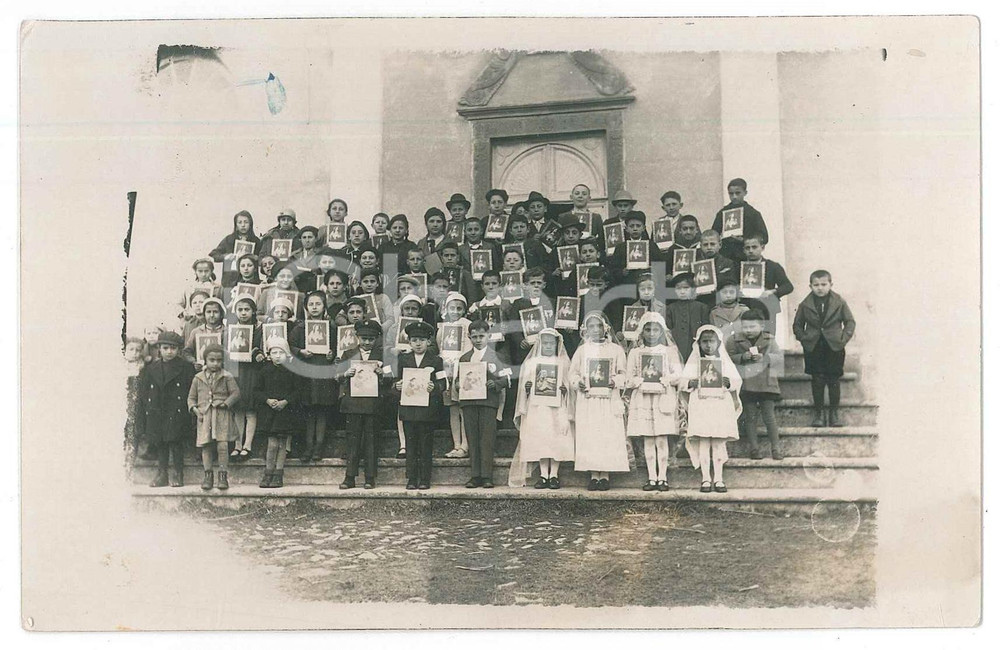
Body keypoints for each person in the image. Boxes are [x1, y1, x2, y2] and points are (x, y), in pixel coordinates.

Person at [569, 311, 630, 491]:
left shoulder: (616, 350)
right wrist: (578, 383)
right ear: (585, 330)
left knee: (607, 435)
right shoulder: (582, 351)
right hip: (588, 400)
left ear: (606, 328)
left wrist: (615, 381)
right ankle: (594, 474)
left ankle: (605, 475)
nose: (595, 330)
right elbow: (573, 373)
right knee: (591, 435)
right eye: (591, 326)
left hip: (608, 399)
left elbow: (623, 373)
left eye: (599, 326)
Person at [625, 312, 684, 491]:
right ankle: (651, 477)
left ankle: (663, 477)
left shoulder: (669, 352)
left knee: (661, 439)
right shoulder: (636, 353)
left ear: (661, 331)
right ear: (642, 331)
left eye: (655, 329)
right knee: (648, 440)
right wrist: (639, 380)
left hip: (662, 398)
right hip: (643, 399)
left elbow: (678, 374)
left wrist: (667, 379)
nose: (651, 333)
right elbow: (629, 378)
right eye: (648, 329)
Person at [681, 325, 743, 493]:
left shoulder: (724, 361)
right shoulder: (694, 362)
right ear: (699, 343)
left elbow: (736, 381)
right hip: (701, 405)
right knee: (703, 442)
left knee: (717, 442)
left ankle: (719, 478)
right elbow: (682, 382)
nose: (708, 345)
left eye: (712, 341)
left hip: (719, 405)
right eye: (705, 342)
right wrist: (690, 383)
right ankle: (706, 479)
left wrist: (728, 382)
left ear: (718, 342)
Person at [792, 269, 857, 427]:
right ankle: (819, 414)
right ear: (810, 286)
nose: (820, 288)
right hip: (814, 347)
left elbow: (850, 322)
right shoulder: (805, 304)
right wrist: (804, 338)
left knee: (834, 379)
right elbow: (797, 325)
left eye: (823, 284)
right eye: (816, 285)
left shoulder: (839, 302)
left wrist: (843, 338)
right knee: (818, 380)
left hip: (834, 346)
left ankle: (834, 414)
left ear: (830, 284)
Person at [511, 329, 574, 489]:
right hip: (538, 407)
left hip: (557, 407)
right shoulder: (532, 362)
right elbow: (526, 385)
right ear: (539, 344)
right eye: (545, 343)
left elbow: (569, 384)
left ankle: (554, 474)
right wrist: (528, 387)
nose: (548, 346)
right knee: (542, 438)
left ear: (557, 344)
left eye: (551, 343)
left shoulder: (563, 362)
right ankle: (543, 474)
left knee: (556, 438)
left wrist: (564, 390)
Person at [137, 331, 196, 488]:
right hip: (158, 409)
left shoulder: (185, 367)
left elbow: (191, 389)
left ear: (178, 350)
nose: (169, 352)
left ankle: (178, 472)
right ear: (159, 349)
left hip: (176, 409)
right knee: (161, 442)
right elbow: (144, 391)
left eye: (173, 348)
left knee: (176, 442)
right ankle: (162, 473)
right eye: (165, 348)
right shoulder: (151, 368)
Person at [455, 320, 510, 489]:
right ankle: (475, 475)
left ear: (488, 336)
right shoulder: (464, 358)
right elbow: (458, 379)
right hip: (469, 403)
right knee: (472, 438)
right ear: (469, 337)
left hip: (488, 403)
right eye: (474, 337)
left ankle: (487, 476)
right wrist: (458, 384)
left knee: (486, 438)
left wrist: (496, 384)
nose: (478, 340)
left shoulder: (497, 356)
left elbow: (507, 379)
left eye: (481, 336)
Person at [336, 319, 389, 489]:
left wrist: (382, 374)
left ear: (376, 339)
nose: (367, 342)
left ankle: (369, 477)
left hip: (373, 404)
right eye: (364, 338)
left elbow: (391, 378)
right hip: (353, 403)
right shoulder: (347, 354)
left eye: (371, 339)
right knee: (353, 440)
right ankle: (349, 477)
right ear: (357, 337)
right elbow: (336, 376)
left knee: (371, 440)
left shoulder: (383, 355)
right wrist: (345, 373)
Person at [394, 321, 446, 489]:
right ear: (409, 342)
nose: (418, 343)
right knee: (411, 445)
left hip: (427, 410)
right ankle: (411, 478)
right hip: (408, 409)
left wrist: (435, 387)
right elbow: (393, 381)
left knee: (425, 444)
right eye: (414, 340)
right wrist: (397, 386)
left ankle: (424, 479)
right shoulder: (402, 359)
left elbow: (443, 382)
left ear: (428, 342)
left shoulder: (436, 360)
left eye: (422, 340)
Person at [727, 309, 785, 459]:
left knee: (769, 416)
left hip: (766, 383)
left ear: (761, 326)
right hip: (747, 384)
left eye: (752, 327)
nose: (748, 330)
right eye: (745, 327)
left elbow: (779, 357)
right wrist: (742, 357)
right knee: (750, 416)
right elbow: (728, 358)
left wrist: (765, 358)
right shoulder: (734, 340)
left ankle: (776, 448)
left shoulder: (770, 340)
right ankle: (754, 448)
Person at [289, 291, 338, 463]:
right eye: (311, 304)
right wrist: (300, 351)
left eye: (318, 304)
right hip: (307, 373)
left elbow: (338, 348)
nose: (315, 307)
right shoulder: (300, 328)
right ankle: (308, 446)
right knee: (309, 410)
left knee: (322, 409)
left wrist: (332, 353)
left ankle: (319, 446)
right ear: (306, 308)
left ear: (324, 307)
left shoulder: (331, 328)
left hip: (323, 372)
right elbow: (290, 347)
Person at [186, 344, 240, 491]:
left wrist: (226, 404)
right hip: (205, 416)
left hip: (221, 416)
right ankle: (208, 475)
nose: (215, 363)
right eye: (211, 360)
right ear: (205, 360)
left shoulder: (227, 376)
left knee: (222, 445)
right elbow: (191, 398)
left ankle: (223, 475)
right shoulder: (198, 378)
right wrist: (195, 410)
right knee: (206, 445)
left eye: (218, 360)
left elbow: (236, 393)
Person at [255, 337, 302, 488]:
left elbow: (297, 391)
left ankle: (278, 474)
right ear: (269, 354)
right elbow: (257, 390)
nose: (277, 355)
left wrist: (285, 401)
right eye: (274, 352)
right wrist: (268, 400)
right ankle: (268, 473)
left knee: (282, 444)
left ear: (287, 354)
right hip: (270, 413)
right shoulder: (264, 371)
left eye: (280, 352)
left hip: (285, 412)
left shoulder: (292, 371)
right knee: (272, 444)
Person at [437, 291, 473, 458]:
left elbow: (469, 349)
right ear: (446, 308)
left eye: (459, 308)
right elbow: (440, 348)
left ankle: (465, 445)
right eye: (452, 308)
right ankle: (456, 444)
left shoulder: (467, 325)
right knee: (452, 408)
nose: (456, 311)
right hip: (448, 370)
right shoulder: (442, 328)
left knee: (463, 409)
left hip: (463, 370)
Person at [229, 295, 264, 461]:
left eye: (247, 310)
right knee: (238, 408)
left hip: (252, 372)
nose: (243, 313)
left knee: (250, 409)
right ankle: (237, 444)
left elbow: (264, 350)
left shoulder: (259, 329)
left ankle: (247, 445)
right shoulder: (231, 330)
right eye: (240, 310)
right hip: (237, 371)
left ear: (253, 311)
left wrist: (257, 354)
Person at [740, 234, 794, 332]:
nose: (751, 250)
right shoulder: (739, 268)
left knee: (767, 340)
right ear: (743, 250)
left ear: (762, 247)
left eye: (754, 247)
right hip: (746, 308)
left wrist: (772, 292)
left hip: (767, 309)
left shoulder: (773, 266)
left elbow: (788, 286)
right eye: (747, 248)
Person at [711, 178, 769, 262]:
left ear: (745, 193)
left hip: (746, 256)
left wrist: (745, 239)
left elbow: (764, 236)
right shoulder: (722, 213)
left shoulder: (753, 214)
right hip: (726, 256)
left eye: (738, 193)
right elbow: (714, 234)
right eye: (731, 194)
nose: (734, 197)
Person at [664, 273, 712, 362]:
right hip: (676, 348)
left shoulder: (702, 307)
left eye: (686, 288)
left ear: (693, 289)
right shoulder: (670, 308)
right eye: (678, 288)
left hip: (696, 348)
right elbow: (668, 331)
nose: (682, 292)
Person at [209, 210, 262, 287]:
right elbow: (214, 254)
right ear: (236, 225)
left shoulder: (256, 241)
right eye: (240, 222)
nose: (243, 225)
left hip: (250, 280)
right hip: (230, 279)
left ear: (250, 224)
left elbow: (262, 258)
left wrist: (255, 258)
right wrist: (226, 256)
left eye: (246, 222)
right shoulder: (229, 239)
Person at [695, 229, 737, 307]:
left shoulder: (728, 263)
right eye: (705, 245)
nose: (709, 247)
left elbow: (731, 284)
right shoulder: (696, 265)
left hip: (721, 303)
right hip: (701, 302)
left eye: (712, 244)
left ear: (720, 245)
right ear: (700, 246)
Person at [183, 297, 227, 368]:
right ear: (204, 314)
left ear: (221, 314)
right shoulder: (196, 332)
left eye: (215, 312)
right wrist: (194, 362)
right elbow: (187, 352)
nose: (212, 315)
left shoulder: (226, 332)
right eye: (208, 312)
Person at [179, 257, 223, 322]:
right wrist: (182, 313)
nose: (203, 274)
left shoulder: (218, 288)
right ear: (195, 272)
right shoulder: (189, 288)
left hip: (210, 321)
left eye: (206, 271)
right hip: (191, 320)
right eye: (200, 271)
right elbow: (178, 304)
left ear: (211, 271)